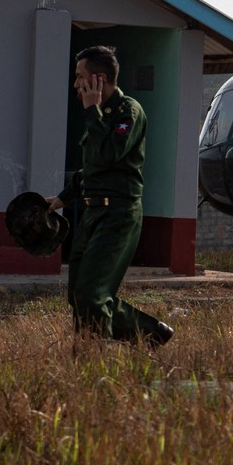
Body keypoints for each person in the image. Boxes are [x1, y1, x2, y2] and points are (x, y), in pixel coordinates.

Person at [45, 46, 174, 346]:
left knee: (93, 295)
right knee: (79, 295)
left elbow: (109, 154)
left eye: (80, 77)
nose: (76, 84)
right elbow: (91, 169)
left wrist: (92, 111)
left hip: (119, 215)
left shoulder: (128, 111)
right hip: (92, 215)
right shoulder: (100, 116)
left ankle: (94, 359)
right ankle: (151, 334)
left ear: (98, 79)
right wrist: (61, 199)